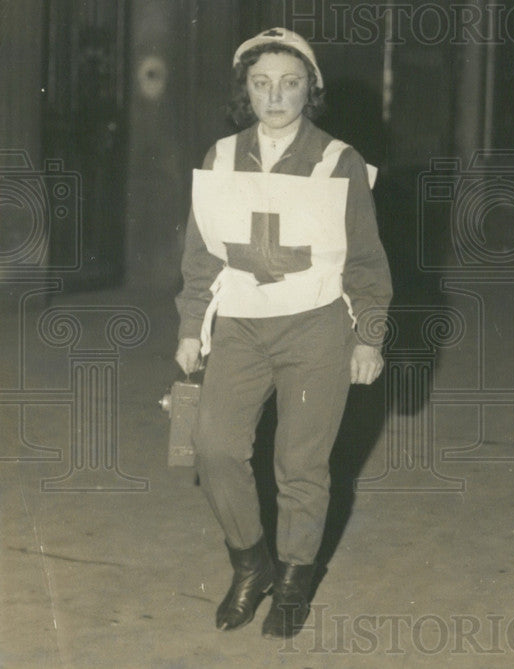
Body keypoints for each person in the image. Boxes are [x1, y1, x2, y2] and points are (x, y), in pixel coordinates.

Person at [173, 28, 392, 638]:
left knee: (301, 463)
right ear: (245, 90)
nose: (275, 96)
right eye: (262, 83)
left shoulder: (337, 160)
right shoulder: (219, 156)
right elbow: (200, 256)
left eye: (290, 83)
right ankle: (251, 563)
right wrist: (192, 326)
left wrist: (369, 336)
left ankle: (295, 575)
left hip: (316, 326)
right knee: (214, 447)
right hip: (240, 324)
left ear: (309, 89)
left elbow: (368, 262)